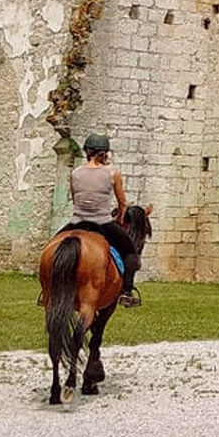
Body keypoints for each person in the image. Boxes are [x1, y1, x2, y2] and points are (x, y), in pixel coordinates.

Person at [59, 131, 142, 307]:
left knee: (54, 248)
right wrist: (119, 218)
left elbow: (75, 200)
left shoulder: (75, 173)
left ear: (87, 151)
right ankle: (127, 291)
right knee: (131, 253)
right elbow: (122, 204)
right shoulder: (113, 173)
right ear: (104, 153)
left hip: (77, 221)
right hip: (103, 222)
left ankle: (47, 291)